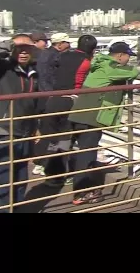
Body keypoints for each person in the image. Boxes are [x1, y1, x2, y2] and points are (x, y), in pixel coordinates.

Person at [67, 42, 139, 205]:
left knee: (84, 152)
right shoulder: (110, 67)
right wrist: (130, 69)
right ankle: (81, 192)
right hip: (90, 117)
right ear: (120, 55)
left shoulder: (101, 64)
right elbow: (133, 72)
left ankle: (83, 188)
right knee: (87, 154)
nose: (128, 60)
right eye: (128, 56)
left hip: (83, 115)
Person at [37, 35, 98, 186]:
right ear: (93, 49)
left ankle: (50, 173)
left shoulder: (62, 56)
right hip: (70, 101)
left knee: (54, 139)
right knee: (64, 140)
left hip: (54, 99)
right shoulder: (88, 62)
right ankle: (57, 176)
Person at [0, 42, 39, 213]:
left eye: (27, 50)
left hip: (25, 129)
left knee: (21, 175)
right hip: (5, 129)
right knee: (5, 176)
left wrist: (35, 127)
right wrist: (8, 46)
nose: (23, 53)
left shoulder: (33, 72)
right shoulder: (3, 68)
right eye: (19, 50)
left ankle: (18, 208)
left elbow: (35, 102)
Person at [32, 32, 72, 175]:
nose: (69, 45)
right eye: (67, 43)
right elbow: (49, 78)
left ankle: (41, 162)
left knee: (46, 131)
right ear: (60, 44)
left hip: (44, 97)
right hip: (53, 97)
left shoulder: (44, 54)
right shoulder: (56, 57)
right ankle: (47, 164)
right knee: (57, 132)